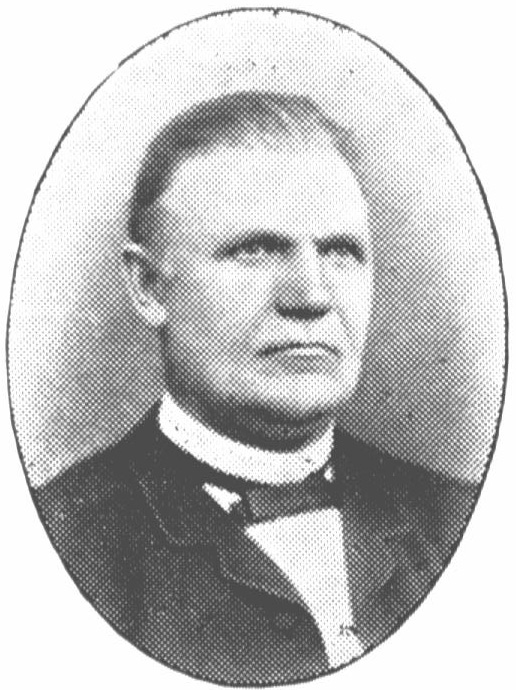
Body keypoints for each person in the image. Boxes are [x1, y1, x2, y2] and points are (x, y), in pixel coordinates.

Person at [34, 91, 476, 685]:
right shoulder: (55, 548)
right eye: (257, 250)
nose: (311, 296)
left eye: (341, 252)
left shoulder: (461, 520)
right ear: (149, 287)